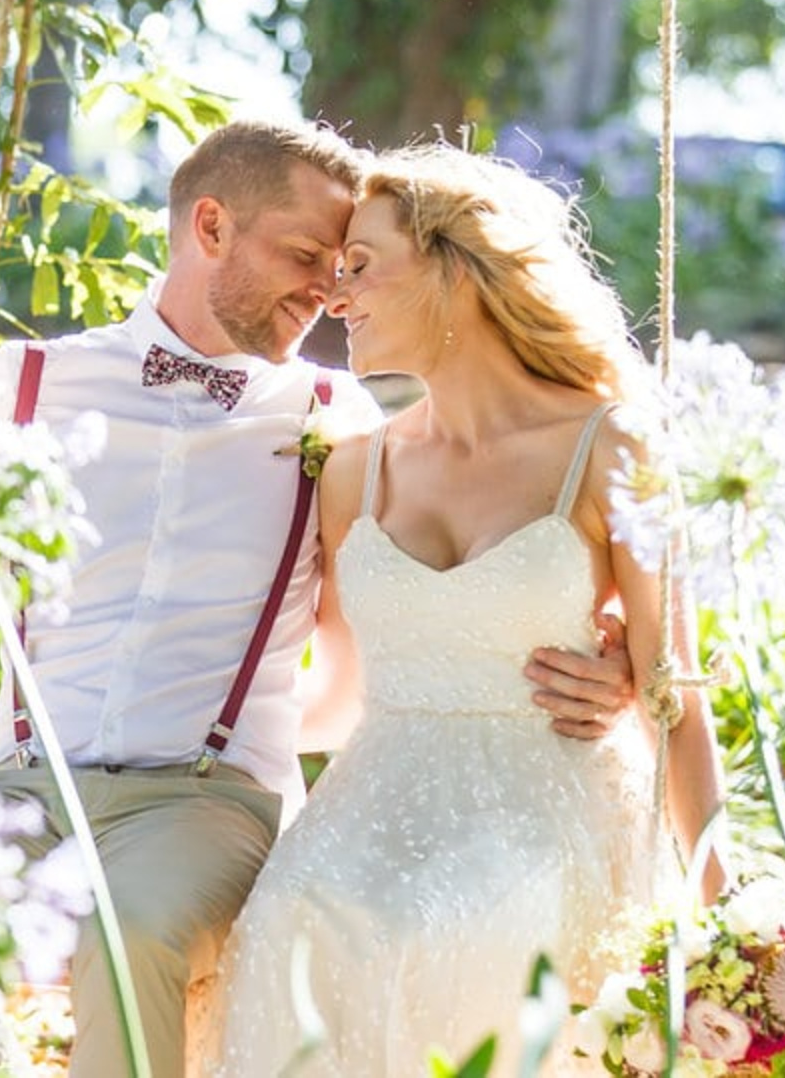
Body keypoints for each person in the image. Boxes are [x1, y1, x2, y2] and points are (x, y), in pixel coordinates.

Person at [0, 121, 637, 1078]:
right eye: (304, 254)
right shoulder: (21, 387)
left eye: (345, 265)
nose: (331, 288)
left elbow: (443, 596)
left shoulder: (339, 425)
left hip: (203, 802)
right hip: (19, 790)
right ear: (210, 227)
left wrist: (604, 653)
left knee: (133, 937)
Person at [206, 144, 727, 1076]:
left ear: (457, 268)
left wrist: (727, 913)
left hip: (547, 809)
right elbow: (333, 696)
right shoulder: (355, 466)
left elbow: (673, 693)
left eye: (359, 266)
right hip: (375, 799)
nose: (335, 294)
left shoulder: (613, 449)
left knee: (458, 915)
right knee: (292, 913)